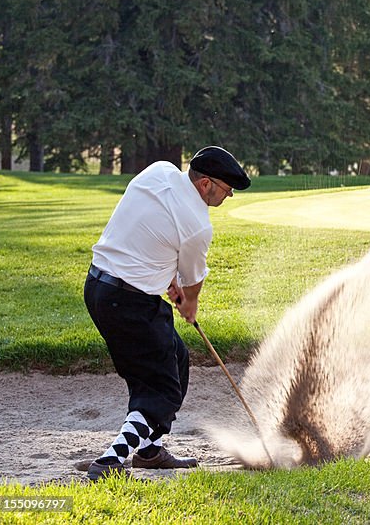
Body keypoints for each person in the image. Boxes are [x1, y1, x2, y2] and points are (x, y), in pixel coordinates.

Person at [83, 146, 250, 481]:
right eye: (226, 189)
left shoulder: (158, 170)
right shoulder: (198, 225)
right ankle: (110, 460)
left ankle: (149, 451)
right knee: (162, 388)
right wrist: (189, 304)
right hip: (131, 303)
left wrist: (167, 279)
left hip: (98, 288)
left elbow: (149, 231)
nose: (229, 195)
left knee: (175, 356)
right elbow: (193, 286)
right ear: (205, 185)